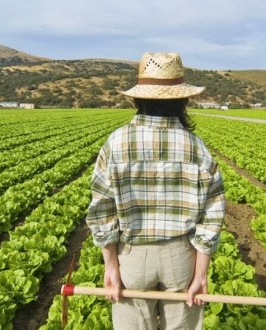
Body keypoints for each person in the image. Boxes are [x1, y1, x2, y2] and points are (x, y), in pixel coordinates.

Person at [86, 52, 225, 330]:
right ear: (183, 99)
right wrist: (201, 273)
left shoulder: (116, 142)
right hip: (181, 257)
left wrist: (111, 266)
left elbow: (101, 211)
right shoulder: (197, 147)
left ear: (137, 98)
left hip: (132, 257)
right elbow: (212, 216)